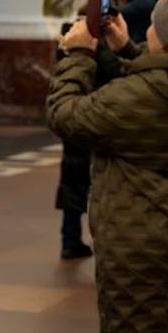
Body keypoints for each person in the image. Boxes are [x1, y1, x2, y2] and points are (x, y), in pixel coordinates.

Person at [47, 0, 168, 333]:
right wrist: (126, 49)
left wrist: (77, 53)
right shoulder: (152, 85)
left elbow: (69, 116)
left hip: (146, 242)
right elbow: (142, 91)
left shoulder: (149, 94)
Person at [53, 14, 124, 259]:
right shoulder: (93, 45)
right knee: (91, 184)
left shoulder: (67, 40)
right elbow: (112, 71)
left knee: (72, 181)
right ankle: (80, 240)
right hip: (93, 117)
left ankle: (69, 239)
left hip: (76, 117)